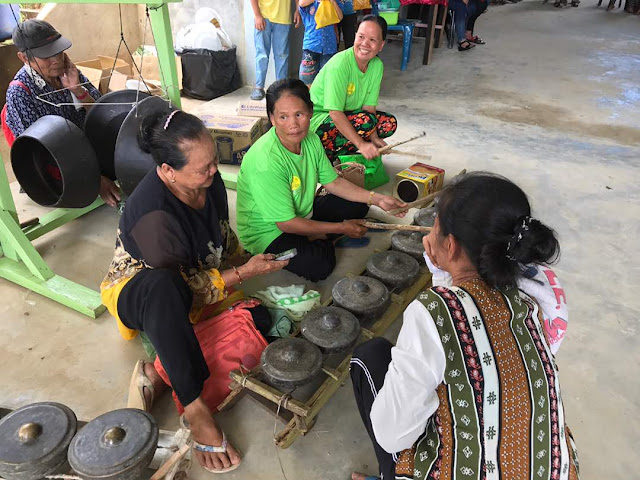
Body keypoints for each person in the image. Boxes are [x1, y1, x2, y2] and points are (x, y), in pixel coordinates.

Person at [350, 172, 579, 480]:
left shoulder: (433, 311)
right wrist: (444, 273)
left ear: (452, 245)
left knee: (369, 357)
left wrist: (440, 282)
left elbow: (392, 436)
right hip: (555, 471)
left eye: (435, 226)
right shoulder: (535, 297)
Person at [100, 109, 287, 473]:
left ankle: (157, 372)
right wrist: (242, 273)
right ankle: (194, 406)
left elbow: (221, 233)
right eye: (203, 168)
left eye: (214, 161)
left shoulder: (208, 182)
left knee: (261, 322)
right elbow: (187, 290)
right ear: (168, 171)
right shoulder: (153, 217)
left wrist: (245, 261)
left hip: (198, 282)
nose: (214, 171)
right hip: (147, 296)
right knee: (165, 289)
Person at [236, 78, 406, 282]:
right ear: (272, 118)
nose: (293, 124)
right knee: (320, 264)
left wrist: (377, 198)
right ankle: (317, 235)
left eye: (299, 114)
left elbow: (333, 182)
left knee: (358, 205)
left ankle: (315, 233)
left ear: (310, 112)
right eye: (283, 117)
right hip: (269, 232)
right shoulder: (266, 161)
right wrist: (341, 228)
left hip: (301, 212)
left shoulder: (312, 139)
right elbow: (286, 223)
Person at [2, 19, 121, 207]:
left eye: (58, 51)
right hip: (56, 167)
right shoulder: (19, 93)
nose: (56, 60)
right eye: (47, 56)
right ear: (24, 58)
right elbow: (39, 153)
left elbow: (102, 114)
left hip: (86, 152)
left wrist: (78, 90)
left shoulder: (69, 71)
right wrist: (94, 179)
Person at [309, 15, 397, 162]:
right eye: (361, 37)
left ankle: (342, 151)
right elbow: (335, 113)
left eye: (372, 40)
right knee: (365, 121)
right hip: (319, 122)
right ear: (355, 36)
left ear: (381, 45)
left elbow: (369, 108)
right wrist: (361, 144)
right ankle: (324, 153)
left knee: (388, 123)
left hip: (349, 115)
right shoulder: (340, 65)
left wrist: (373, 138)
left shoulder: (377, 66)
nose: (365, 44)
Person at [249, 0, 301, 101]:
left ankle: (281, 88)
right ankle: (259, 87)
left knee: (282, 56)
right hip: (264, 16)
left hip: (283, 17)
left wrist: (297, 10)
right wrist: (257, 15)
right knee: (262, 54)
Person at [298, 0, 342, 87]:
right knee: (307, 78)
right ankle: (309, 95)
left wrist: (333, 2)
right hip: (311, 45)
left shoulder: (332, 2)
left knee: (328, 78)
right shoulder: (310, 3)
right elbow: (301, 3)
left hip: (329, 46)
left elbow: (340, 17)